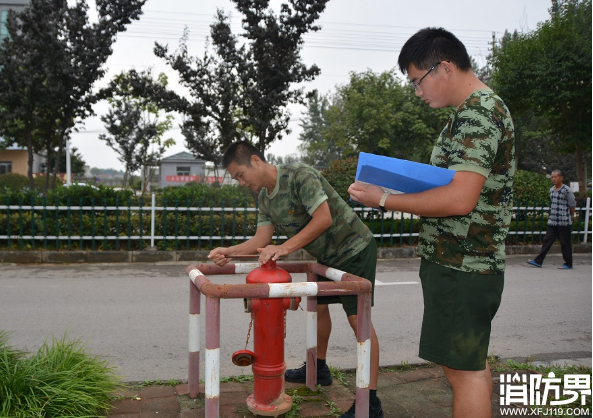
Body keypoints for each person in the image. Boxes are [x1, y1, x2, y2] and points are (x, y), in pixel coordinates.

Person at [348, 27, 515, 418]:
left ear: (444, 67)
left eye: (417, 82)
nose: (418, 93)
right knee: (471, 365)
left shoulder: (478, 112)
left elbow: (460, 198)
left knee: (464, 374)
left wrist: (385, 198)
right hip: (462, 260)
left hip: (462, 263)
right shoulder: (468, 113)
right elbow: (454, 182)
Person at [208, 140, 383, 418]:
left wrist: (285, 247)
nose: (240, 183)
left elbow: (323, 218)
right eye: (235, 179)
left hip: (354, 249)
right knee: (320, 309)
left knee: (357, 321)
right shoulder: (265, 197)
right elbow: (262, 240)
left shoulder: (299, 175)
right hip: (326, 256)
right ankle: (320, 369)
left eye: (240, 175)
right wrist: (230, 252)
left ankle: (371, 402)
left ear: (255, 161)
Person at [527, 170, 577, 269]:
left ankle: (568, 263)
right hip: (553, 221)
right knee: (546, 241)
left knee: (565, 243)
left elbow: (572, 205)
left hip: (563, 221)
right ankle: (538, 261)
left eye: (556, 177)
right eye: (552, 177)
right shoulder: (551, 190)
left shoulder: (566, 190)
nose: (553, 179)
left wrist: (571, 216)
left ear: (561, 178)